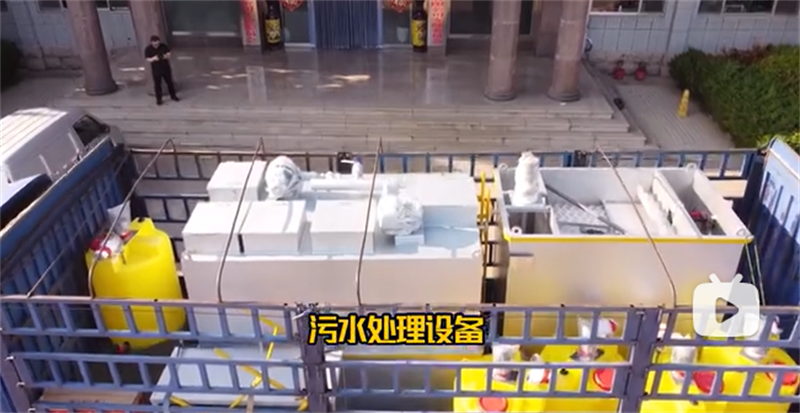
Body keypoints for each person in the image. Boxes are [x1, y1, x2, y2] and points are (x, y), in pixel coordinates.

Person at [144, 35, 179, 105]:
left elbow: (169, 54)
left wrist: (164, 56)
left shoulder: (163, 46)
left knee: (170, 83)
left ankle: (173, 96)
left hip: (165, 68)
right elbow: (147, 59)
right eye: (155, 44)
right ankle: (159, 99)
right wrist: (154, 58)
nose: (156, 45)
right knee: (157, 85)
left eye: (157, 44)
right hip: (156, 69)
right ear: (151, 43)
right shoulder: (148, 49)